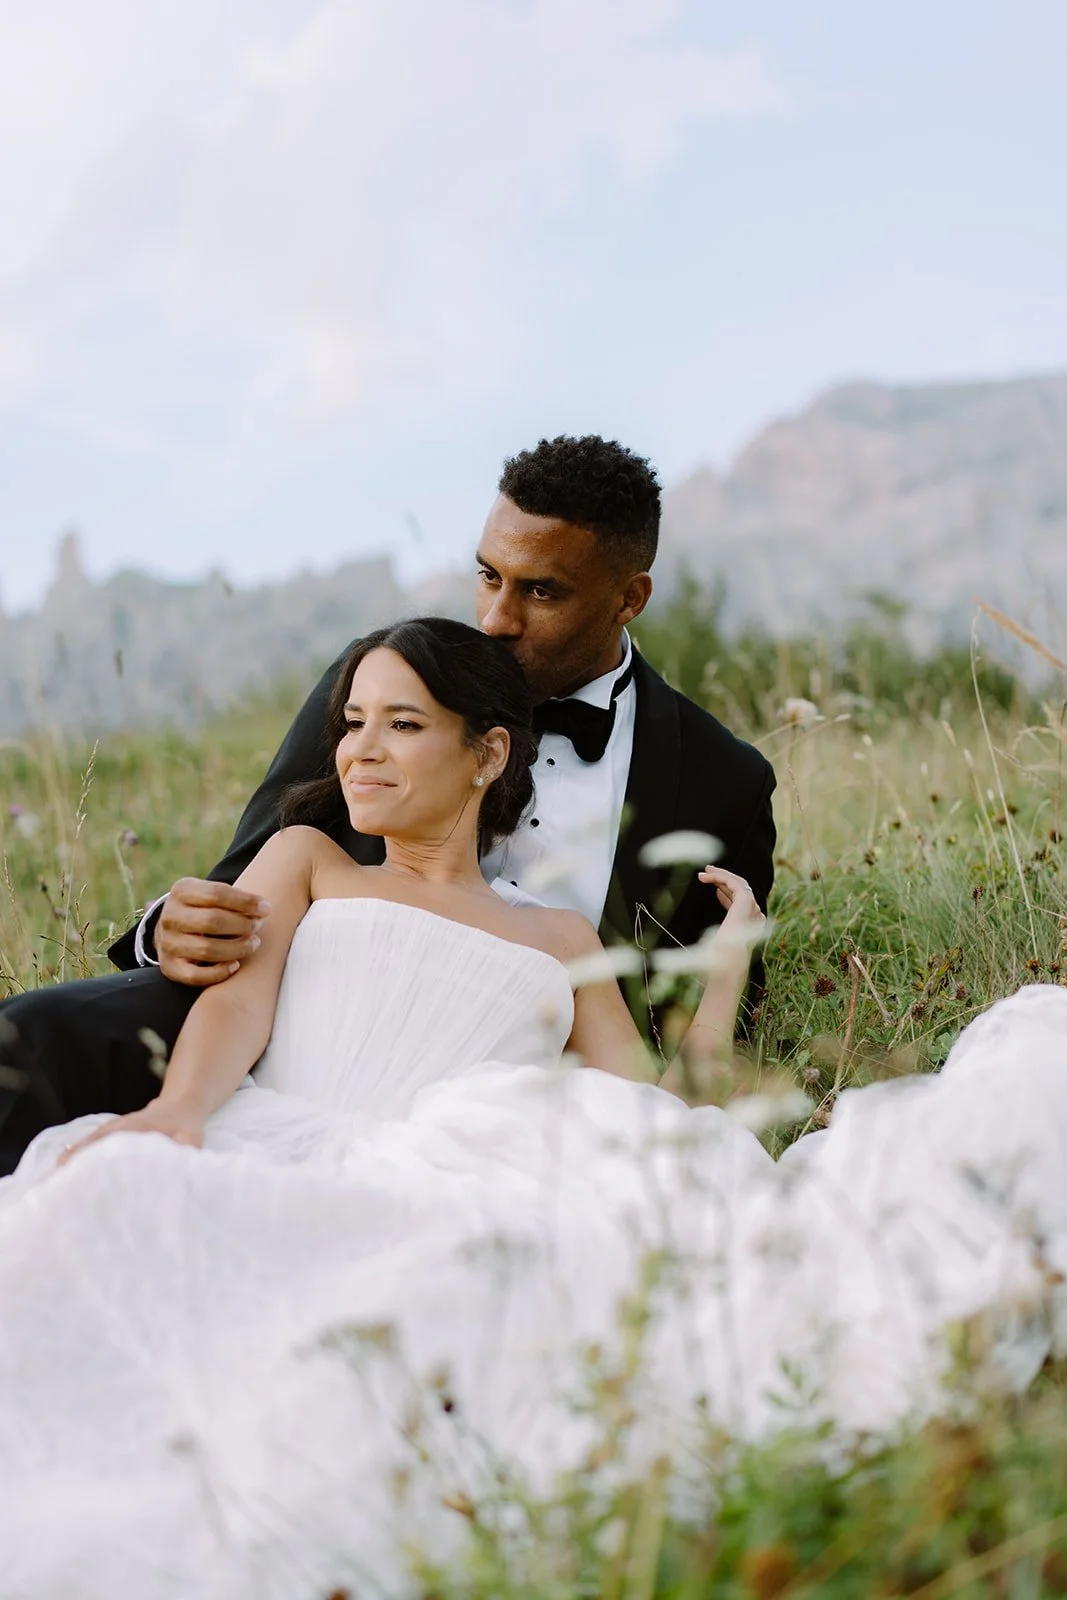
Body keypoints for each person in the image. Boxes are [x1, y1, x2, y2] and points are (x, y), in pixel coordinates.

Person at [1, 619, 1065, 1599]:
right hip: (281, 1129)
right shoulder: (310, 860)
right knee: (110, 1211)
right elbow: (236, 1004)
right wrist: (180, 1110)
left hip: (469, 1163)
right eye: (353, 724)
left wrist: (727, 971)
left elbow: (656, 1111)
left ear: (487, 753)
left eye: (402, 725)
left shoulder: (556, 938)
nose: (361, 750)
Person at [0, 435, 776, 1172]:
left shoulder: (721, 783)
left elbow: (676, 1083)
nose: (497, 619)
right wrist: (169, 929)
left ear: (627, 597)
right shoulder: (391, 676)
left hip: (522, 1134)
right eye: (486, 576)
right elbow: (242, 885)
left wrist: (729, 970)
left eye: (541, 591)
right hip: (286, 1047)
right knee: (26, 1040)